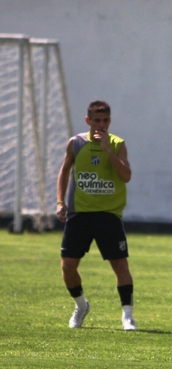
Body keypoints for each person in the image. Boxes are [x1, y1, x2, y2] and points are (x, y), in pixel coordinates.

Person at [56, 100, 137, 331]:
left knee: (120, 265)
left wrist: (108, 151)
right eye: (97, 121)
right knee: (68, 267)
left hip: (108, 214)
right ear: (88, 120)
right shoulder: (76, 143)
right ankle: (81, 306)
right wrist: (60, 202)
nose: (101, 125)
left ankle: (128, 316)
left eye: (105, 121)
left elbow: (126, 175)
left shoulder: (117, 144)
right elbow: (64, 172)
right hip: (79, 213)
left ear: (109, 121)